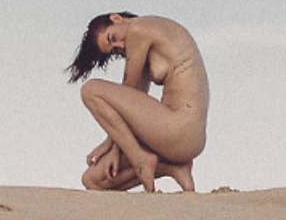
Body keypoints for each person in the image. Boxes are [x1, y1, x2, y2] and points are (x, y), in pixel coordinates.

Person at [66, 12, 208, 192]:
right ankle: (172, 167)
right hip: (183, 140)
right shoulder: (146, 42)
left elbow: (128, 89)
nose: (120, 45)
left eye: (113, 38)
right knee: (93, 180)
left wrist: (115, 148)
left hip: (179, 127)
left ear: (116, 18)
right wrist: (112, 147)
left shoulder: (139, 29)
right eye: (115, 50)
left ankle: (141, 159)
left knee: (90, 90)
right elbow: (130, 104)